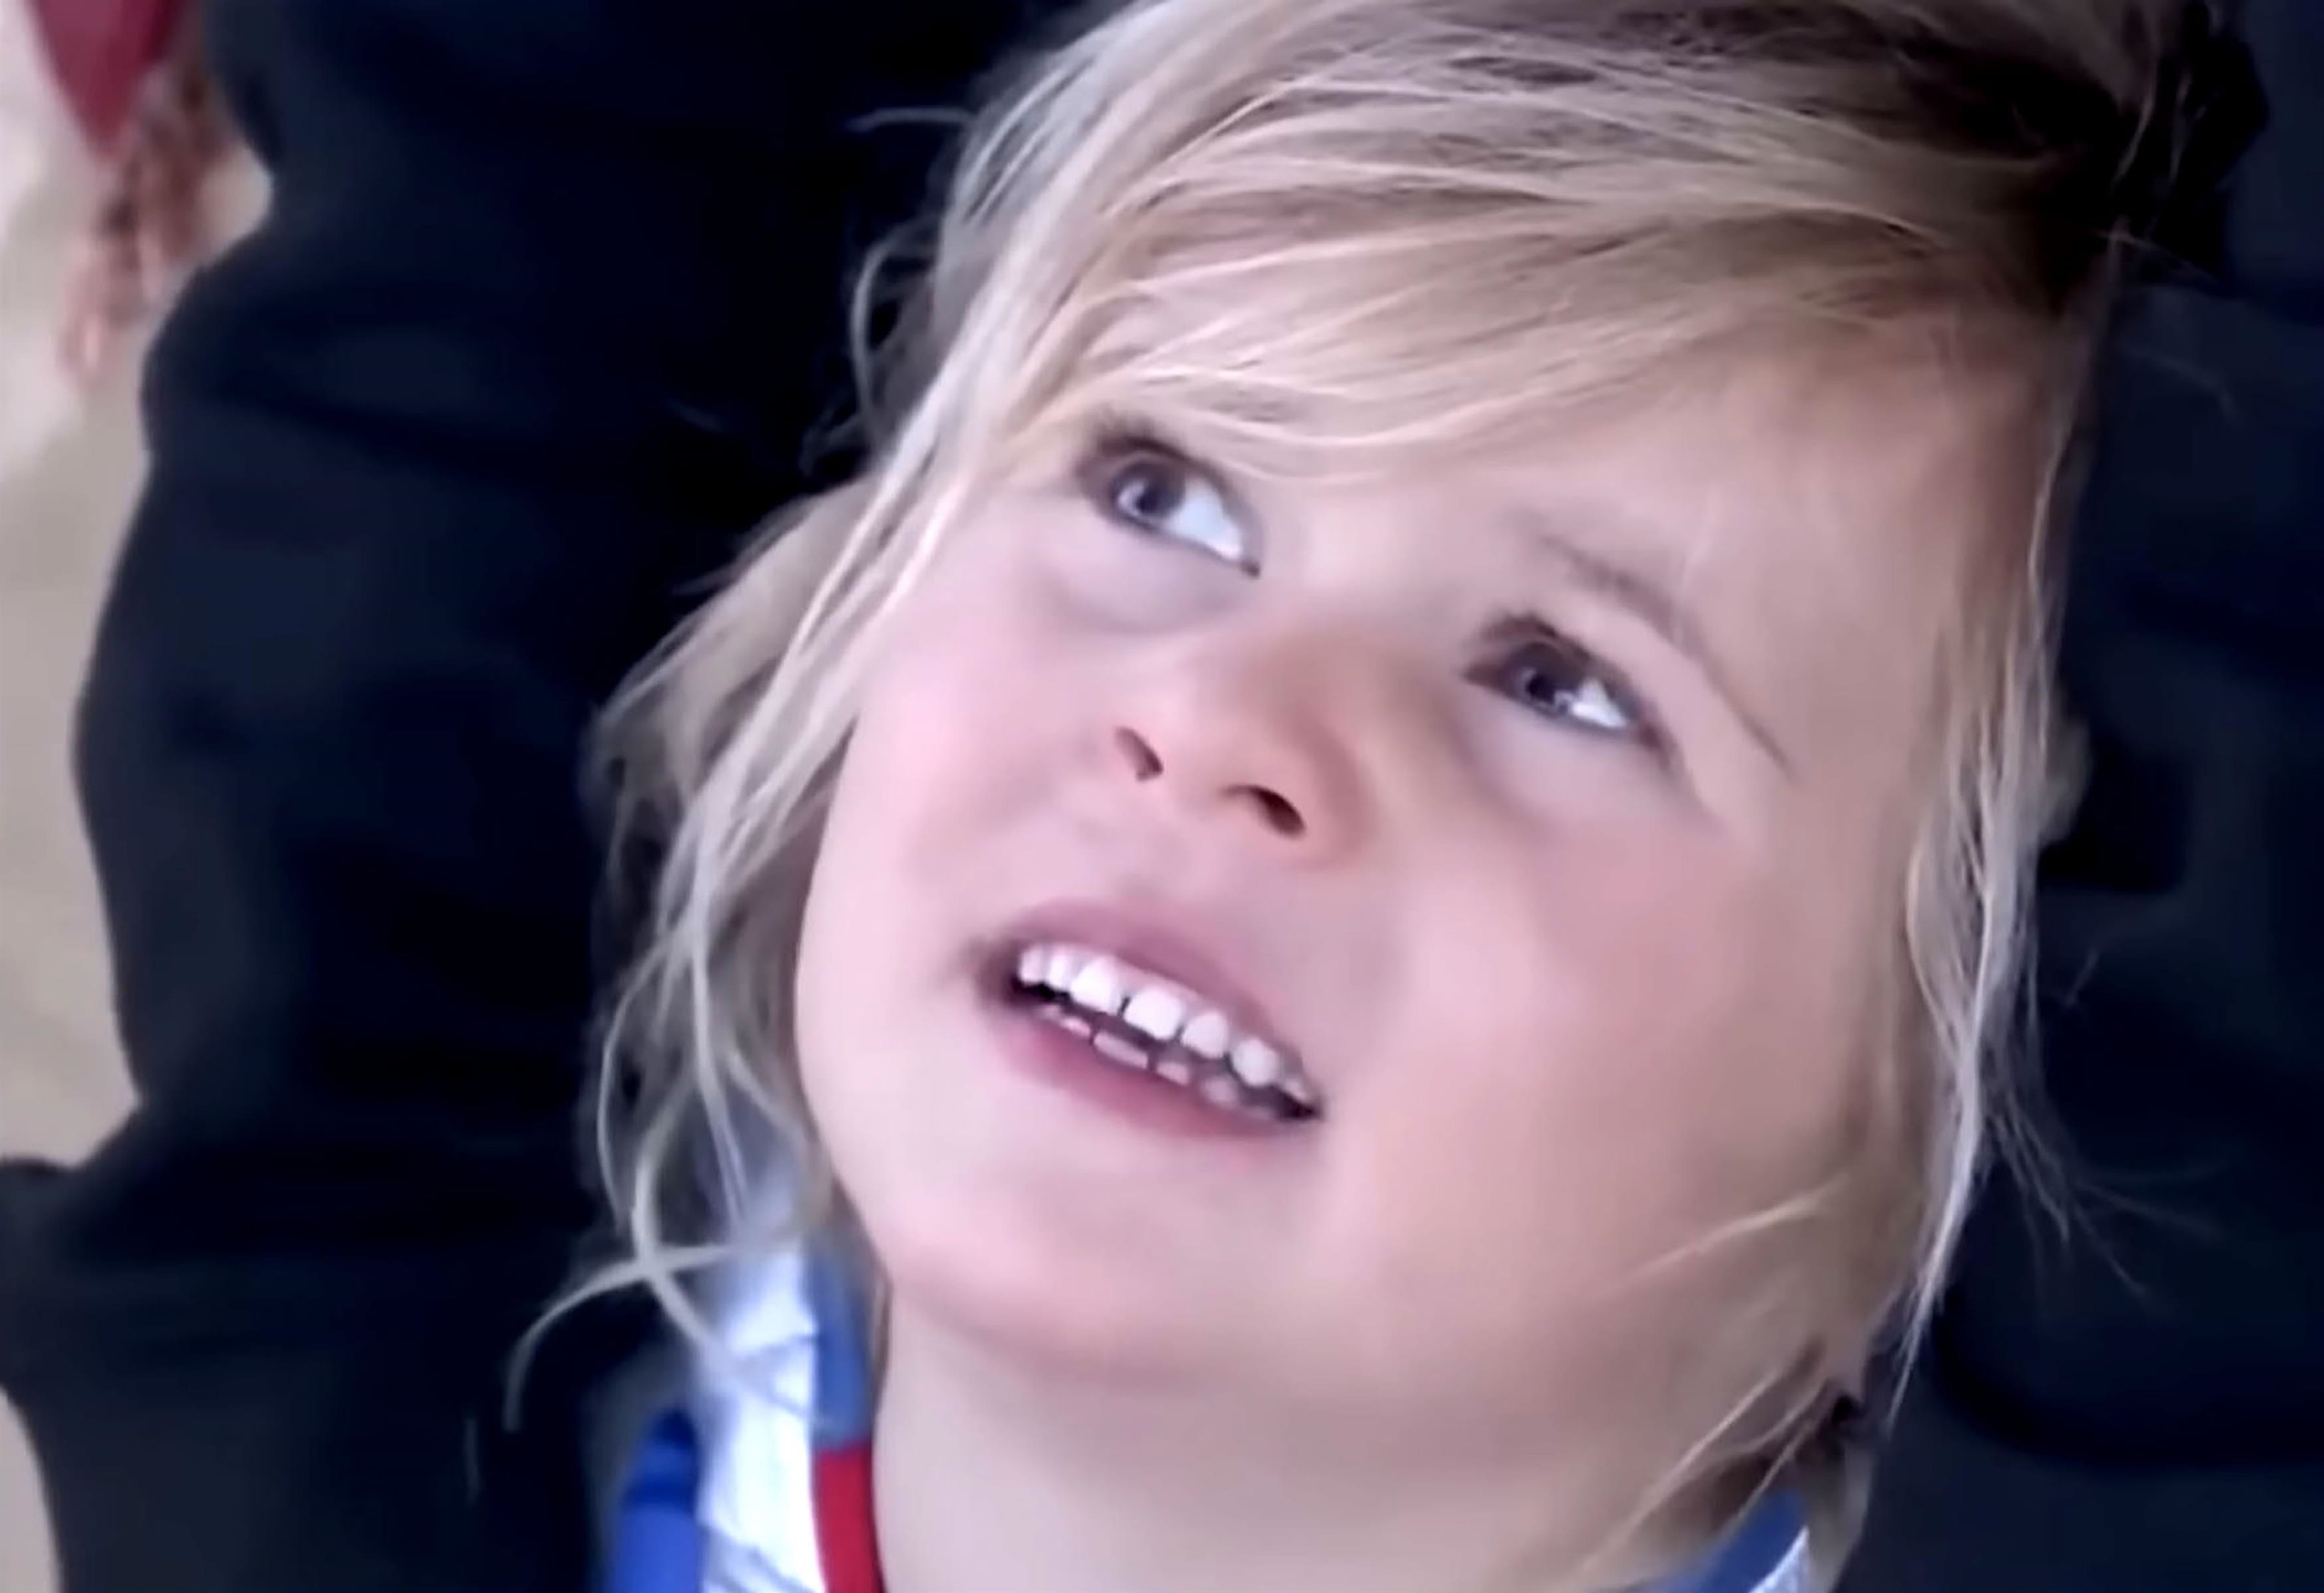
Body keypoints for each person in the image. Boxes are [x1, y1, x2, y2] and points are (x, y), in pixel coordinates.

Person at [1, 3, 2318, 1593]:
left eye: (1560, 682)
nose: (1215, 718)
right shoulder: (412, 1330)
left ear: (1957, 1091)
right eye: (1163, 494)